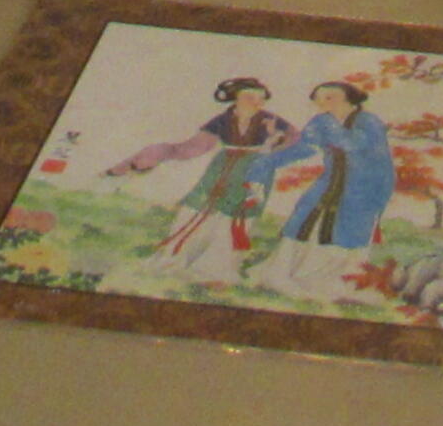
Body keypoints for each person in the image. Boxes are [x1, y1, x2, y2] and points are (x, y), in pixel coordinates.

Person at [102, 76, 297, 282]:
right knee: (195, 209)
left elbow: (294, 140)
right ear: (235, 98)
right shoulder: (222, 120)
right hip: (220, 169)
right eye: (250, 97)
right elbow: (195, 147)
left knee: (235, 220)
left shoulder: (272, 120)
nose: (257, 103)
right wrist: (162, 153)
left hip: (254, 172)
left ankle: (215, 269)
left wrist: (275, 140)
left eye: (261, 99)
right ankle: (174, 258)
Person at [248, 79, 397, 297]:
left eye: (329, 97)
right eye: (319, 99)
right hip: (329, 184)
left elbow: (353, 144)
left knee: (348, 234)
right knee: (304, 218)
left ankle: (335, 285)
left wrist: (329, 125)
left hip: (362, 190)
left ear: (350, 98)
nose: (322, 103)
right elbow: (304, 148)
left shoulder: (368, 121)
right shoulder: (321, 121)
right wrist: (268, 161)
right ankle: (284, 276)